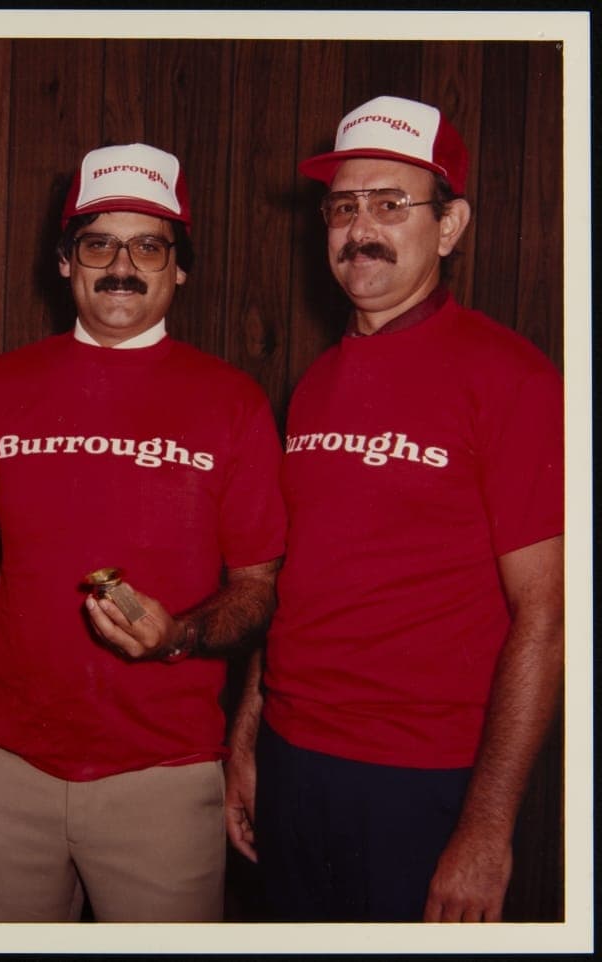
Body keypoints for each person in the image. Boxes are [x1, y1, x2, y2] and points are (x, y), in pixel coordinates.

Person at [224, 95, 565, 923]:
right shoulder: (317, 383)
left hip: (423, 781)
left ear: (449, 227)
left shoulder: (514, 380)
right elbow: (298, 577)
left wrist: (487, 829)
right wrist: (249, 733)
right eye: (343, 207)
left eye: (389, 204)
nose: (360, 228)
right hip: (294, 760)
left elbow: (548, 617)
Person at [0, 143, 287, 922]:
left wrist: (179, 635)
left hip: (163, 776)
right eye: (99, 243)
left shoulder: (233, 403)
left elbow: (258, 588)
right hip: (7, 767)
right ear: (65, 261)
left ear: (179, 268)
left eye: (149, 247)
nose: (122, 267)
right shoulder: (0, 387)